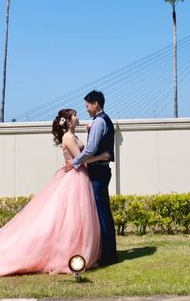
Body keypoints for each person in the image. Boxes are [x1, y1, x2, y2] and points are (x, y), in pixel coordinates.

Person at [0, 108, 109, 277]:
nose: (78, 117)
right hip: (74, 177)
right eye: (75, 115)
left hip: (78, 177)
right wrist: (101, 157)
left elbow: (81, 155)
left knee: (76, 218)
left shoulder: (73, 136)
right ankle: (67, 253)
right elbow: (81, 159)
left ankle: (75, 250)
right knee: (68, 217)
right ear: (69, 121)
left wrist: (90, 132)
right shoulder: (68, 137)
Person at [65, 90, 117, 266]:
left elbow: (90, 149)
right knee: (103, 212)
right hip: (102, 169)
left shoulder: (99, 122)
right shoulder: (103, 120)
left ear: (96, 104)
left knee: (101, 213)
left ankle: (108, 255)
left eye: (87, 105)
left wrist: (74, 163)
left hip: (98, 172)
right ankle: (108, 251)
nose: (86, 109)